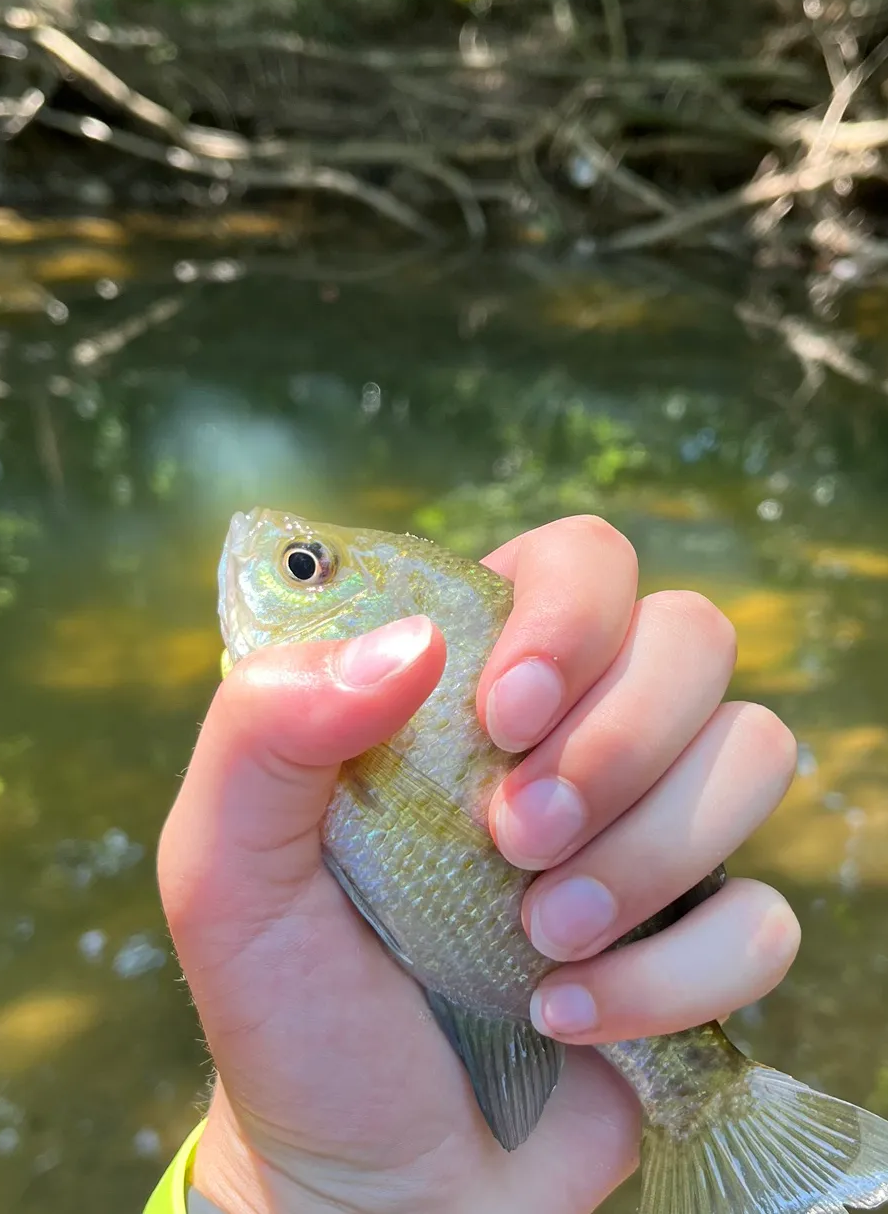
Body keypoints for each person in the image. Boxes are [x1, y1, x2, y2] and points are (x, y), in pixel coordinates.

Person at [147, 515, 802, 1214]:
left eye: (304, 567)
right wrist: (298, 1187)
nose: (258, 555)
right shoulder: (298, 756)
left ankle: (700, 1084)